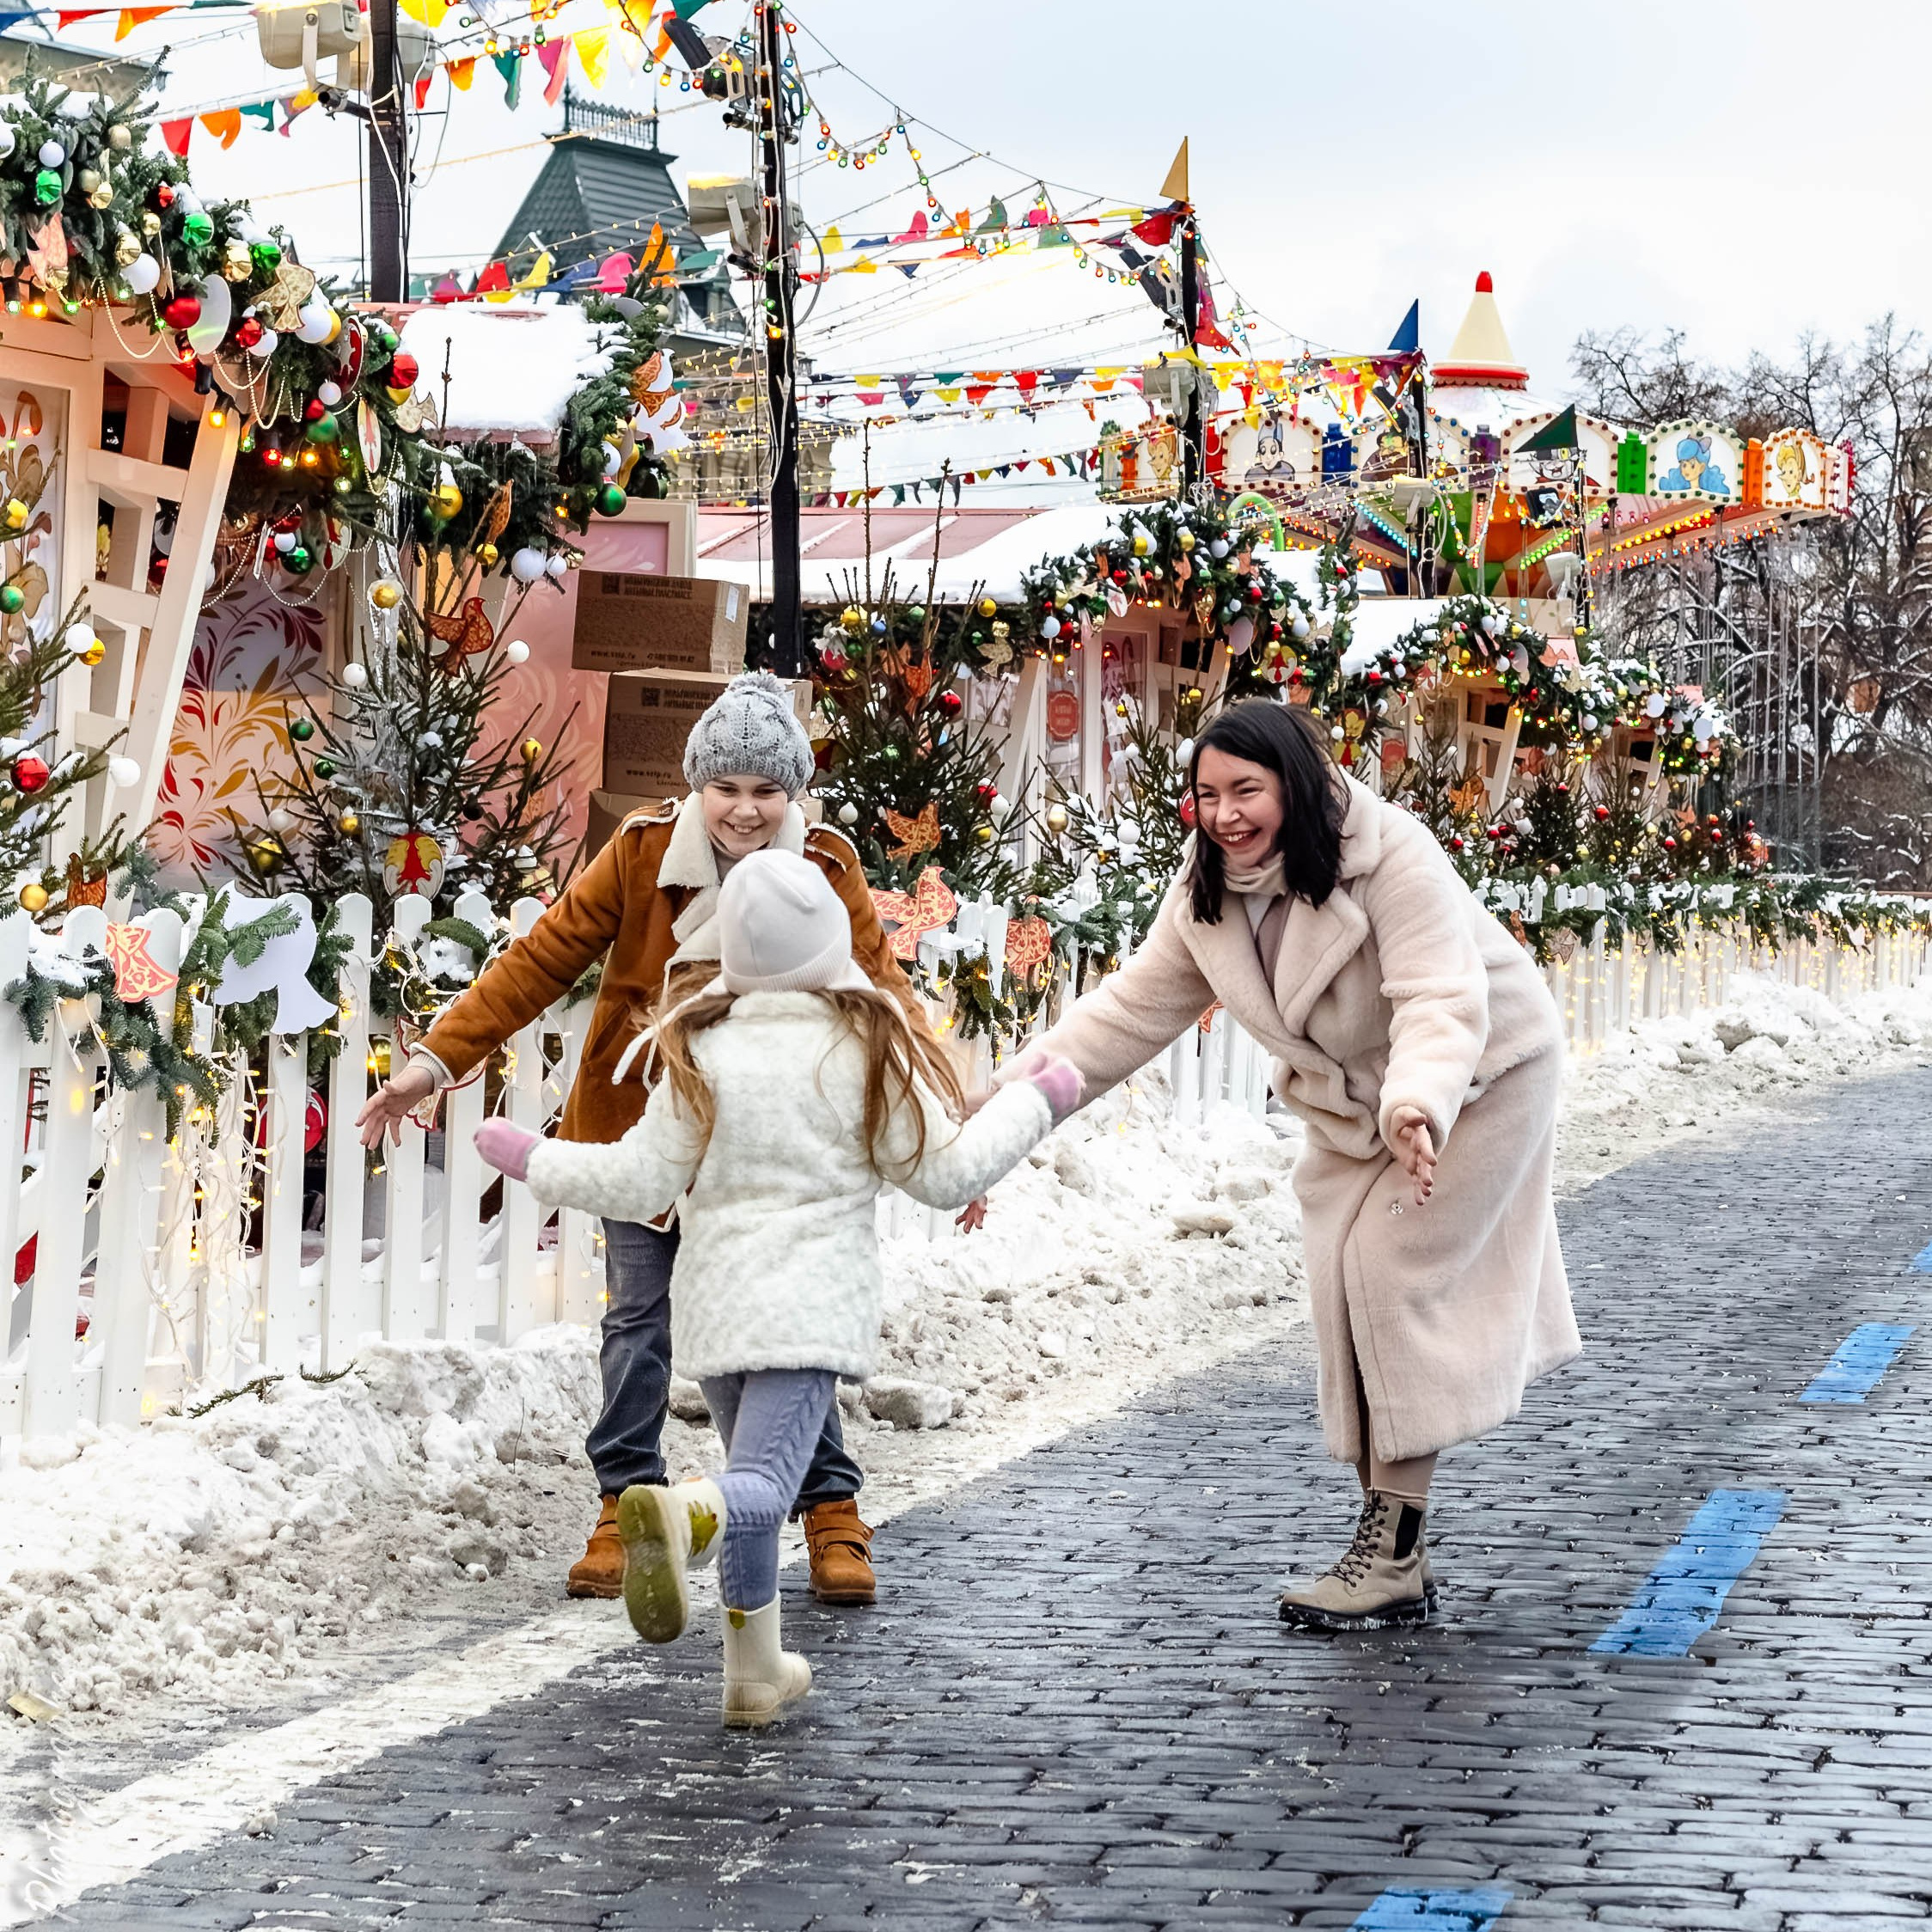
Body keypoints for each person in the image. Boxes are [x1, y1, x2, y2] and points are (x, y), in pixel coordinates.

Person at [990, 699, 1580, 1632]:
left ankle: (1386, 1556)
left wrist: (1418, 1103)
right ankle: (1393, 1547)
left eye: (1245, 790)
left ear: (1293, 785)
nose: (1224, 813)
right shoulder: (1205, 891)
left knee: (1387, 1276)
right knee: (1340, 1294)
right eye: (1206, 793)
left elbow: (1440, 998)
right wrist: (1003, 1111)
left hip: (1475, 1082)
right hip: (1354, 1110)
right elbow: (1123, 1016)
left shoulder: (1388, 853)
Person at [356, 671, 922, 1609]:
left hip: (763, 1145)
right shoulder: (641, 852)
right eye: (727, 787)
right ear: (699, 782)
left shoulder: (824, 865)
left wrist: (936, 1110)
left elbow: (884, 991)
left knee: (783, 1332)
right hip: (645, 1133)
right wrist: (435, 1062)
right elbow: (539, 961)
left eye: (766, 789)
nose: (745, 809)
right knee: (636, 1323)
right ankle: (625, 1497)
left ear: (794, 791)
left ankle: (829, 1506)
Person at [474, 849, 1075, 1725]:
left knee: (753, 1486)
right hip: (807, 1309)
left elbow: (642, 1184)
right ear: (830, 940)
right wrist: (1037, 1098)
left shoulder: (701, 1043)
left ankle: (753, 1673)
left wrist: (538, 1159)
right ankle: (680, 1515)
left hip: (715, 1308)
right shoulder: (864, 1045)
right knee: (755, 1488)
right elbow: (945, 1175)